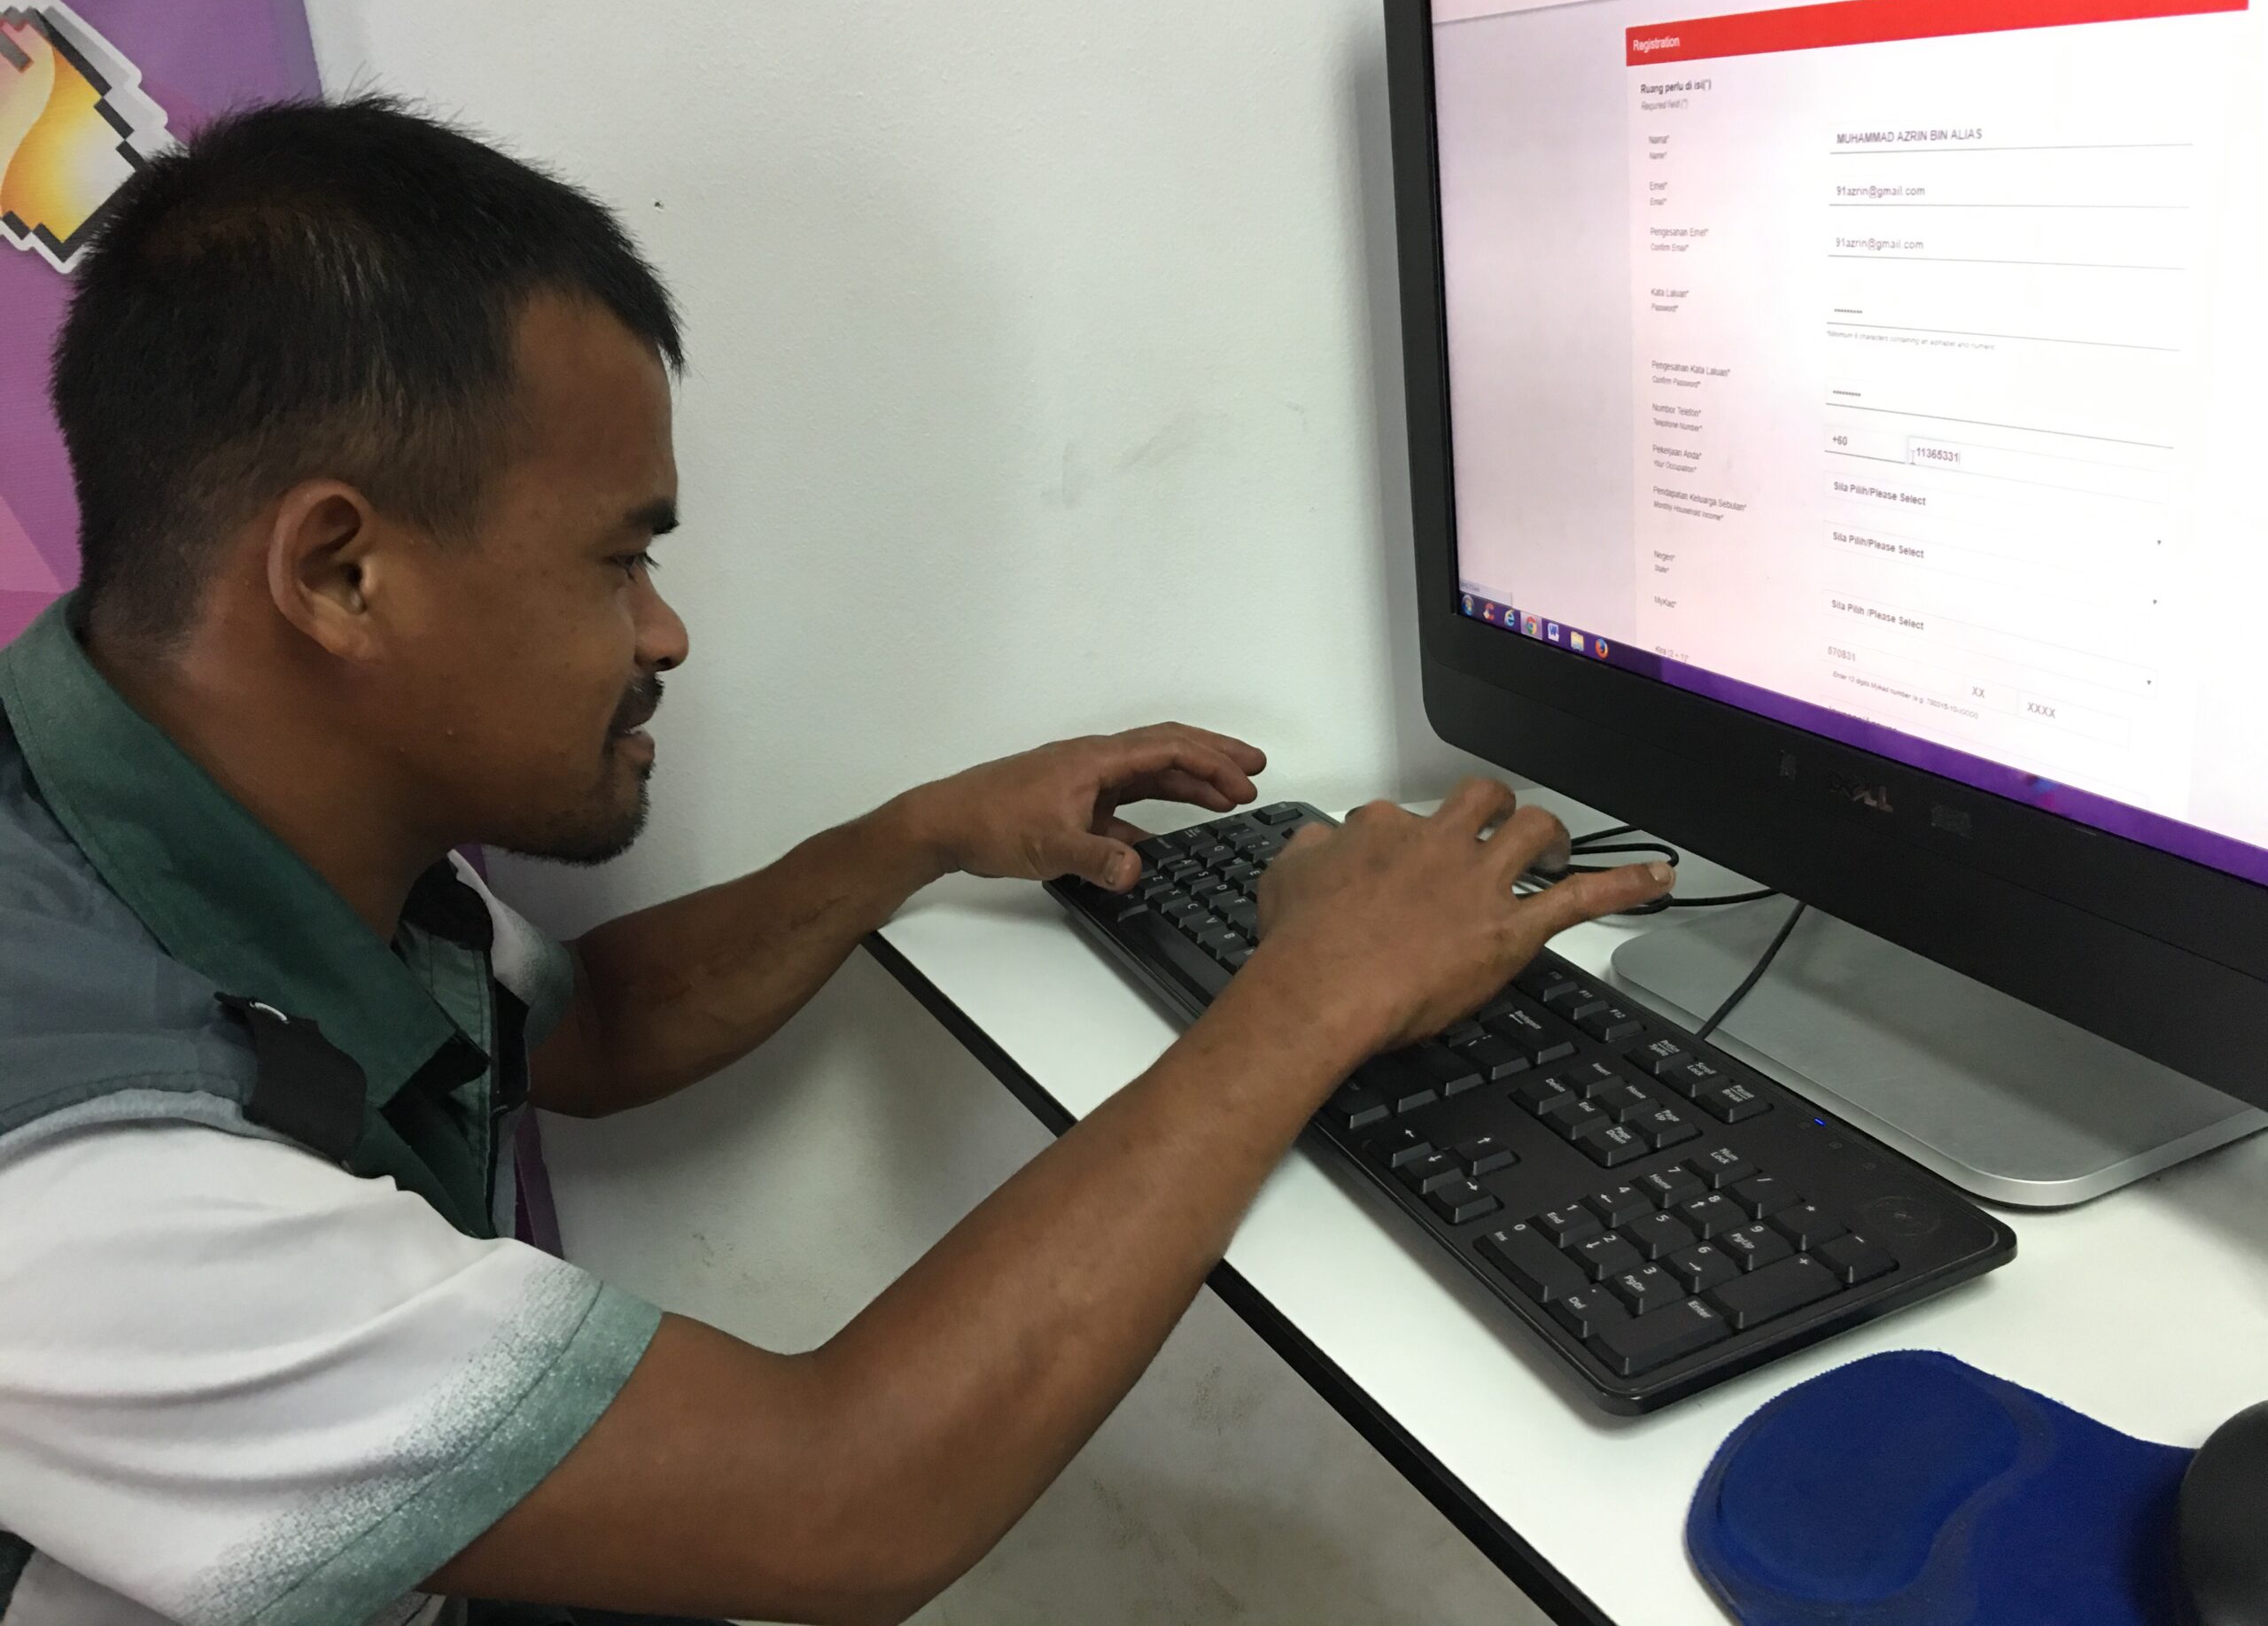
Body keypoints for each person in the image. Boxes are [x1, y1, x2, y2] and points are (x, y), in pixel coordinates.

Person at [0, 97, 1667, 1626]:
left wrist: (920, 834)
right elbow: (837, 1503)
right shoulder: (89, 1188)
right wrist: (1313, 997)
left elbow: (583, 1033)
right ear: (341, 576)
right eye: (616, 560)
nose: (663, 631)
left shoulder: (191, 790)